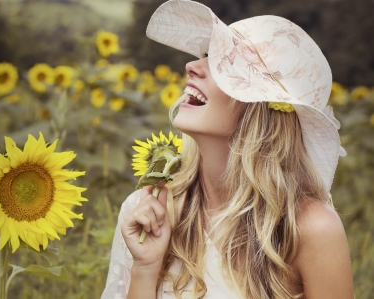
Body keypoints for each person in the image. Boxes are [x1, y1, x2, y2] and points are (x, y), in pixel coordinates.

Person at [101, 0, 354, 298]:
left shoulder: (311, 229)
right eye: (207, 54)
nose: (191, 66)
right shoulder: (149, 213)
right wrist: (146, 267)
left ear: (261, 108)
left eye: (225, 63)